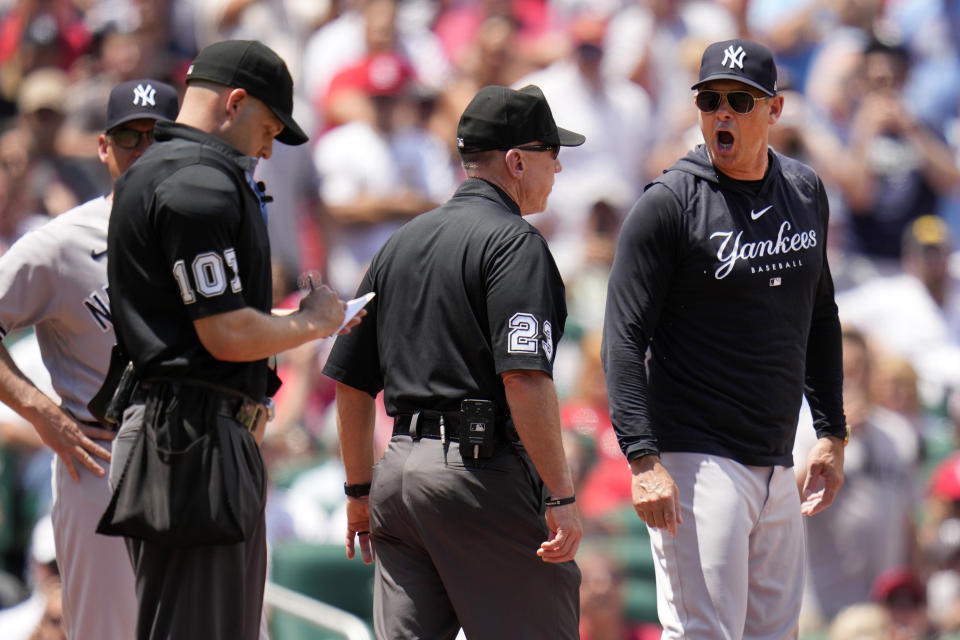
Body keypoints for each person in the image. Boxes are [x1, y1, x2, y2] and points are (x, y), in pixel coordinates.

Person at [102, 40, 360, 640]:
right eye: (268, 127)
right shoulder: (196, 182)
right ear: (235, 101)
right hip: (190, 441)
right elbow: (225, 333)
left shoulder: (171, 171)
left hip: (189, 434)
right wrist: (315, 322)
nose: (269, 147)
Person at [602, 38, 848, 639]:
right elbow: (623, 337)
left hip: (773, 458)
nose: (723, 114)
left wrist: (831, 430)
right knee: (703, 634)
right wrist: (643, 458)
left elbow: (820, 312)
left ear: (775, 110)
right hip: (694, 458)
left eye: (740, 100)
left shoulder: (804, 190)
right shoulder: (669, 205)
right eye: (710, 100)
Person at [323, 84, 585, 639]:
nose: (558, 166)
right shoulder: (515, 243)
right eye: (549, 152)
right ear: (516, 161)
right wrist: (560, 494)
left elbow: (349, 380)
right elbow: (523, 377)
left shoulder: (401, 241)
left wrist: (358, 491)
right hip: (477, 476)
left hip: (397, 477)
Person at [0, 77, 178, 640]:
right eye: (130, 138)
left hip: (199, 456)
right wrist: (44, 415)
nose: (143, 151)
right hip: (101, 461)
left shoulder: (209, 233)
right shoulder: (60, 245)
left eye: (158, 138)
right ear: (103, 146)